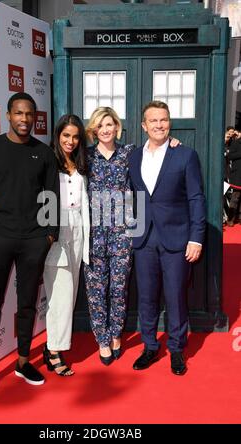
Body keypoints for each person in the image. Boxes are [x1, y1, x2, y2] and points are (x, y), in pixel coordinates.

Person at [0, 114, 89, 377]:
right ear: (57, 136)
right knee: (60, 295)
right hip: (52, 228)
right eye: (66, 135)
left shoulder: (81, 162)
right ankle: (53, 351)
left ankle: (54, 347)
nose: (71, 141)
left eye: (76, 136)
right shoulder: (45, 158)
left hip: (78, 229)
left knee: (70, 293)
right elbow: (23, 187)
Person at [0, 92, 60, 400]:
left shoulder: (44, 154)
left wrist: (48, 235)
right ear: (8, 115)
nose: (24, 119)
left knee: (26, 303)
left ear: (35, 117)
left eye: (29, 114)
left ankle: (23, 361)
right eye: (19, 113)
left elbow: (51, 196)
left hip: (34, 239)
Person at [84, 107, 182, 365]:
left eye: (110, 124)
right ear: (94, 130)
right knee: (96, 290)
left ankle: (116, 335)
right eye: (100, 125)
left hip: (124, 233)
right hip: (93, 233)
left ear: (117, 127)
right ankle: (102, 341)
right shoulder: (86, 156)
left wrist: (171, 143)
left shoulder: (130, 153)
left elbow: (157, 149)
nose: (105, 129)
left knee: (118, 289)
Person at [128, 100, 205, 375]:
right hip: (144, 239)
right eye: (154, 121)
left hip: (177, 238)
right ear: (144, 126)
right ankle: (150, 346)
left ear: (169, 123)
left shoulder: (185, 155)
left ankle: (176, 349)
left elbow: (196, 197)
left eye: (164, 120)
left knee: (175, 297)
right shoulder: (133, 156)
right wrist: (129, 229)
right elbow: (130, 196)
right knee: (146, 298)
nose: (159, 125)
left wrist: (196, 238)